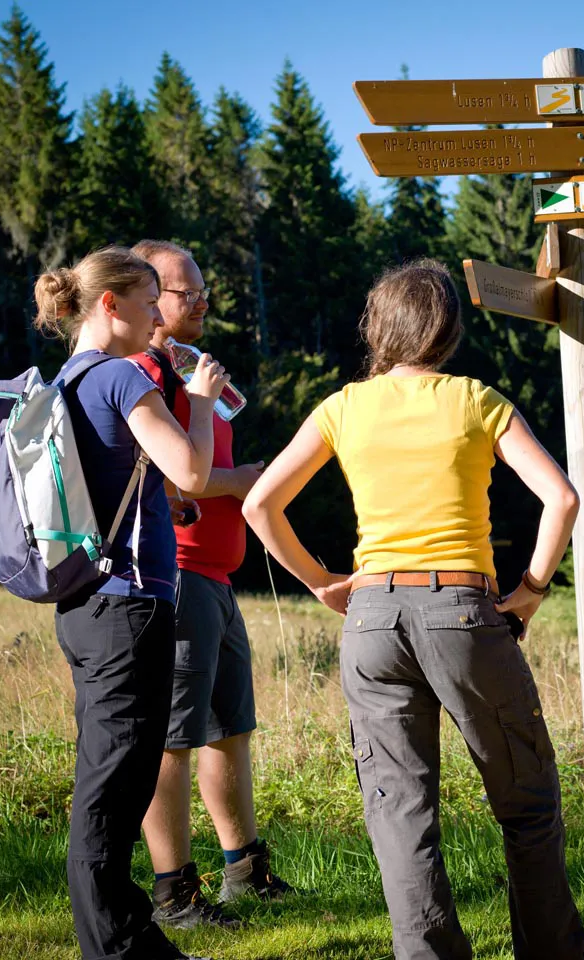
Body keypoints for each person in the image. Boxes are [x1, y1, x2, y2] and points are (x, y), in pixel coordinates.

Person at [242, 259, 584, 960]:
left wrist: (321, 582)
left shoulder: (342, 407)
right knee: (525, 801)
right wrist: (531, 589)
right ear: (449, 330)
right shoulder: (475, 400)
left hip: (371, 618)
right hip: (461, 611)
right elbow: (562, 498)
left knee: (400, 817)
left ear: (377, 328)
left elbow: (259, 505)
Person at [32, 246, 228, 960]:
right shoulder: (120, 375)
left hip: (84, 604)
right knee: (114, 787)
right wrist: (198, 403)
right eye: (148, 304)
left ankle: (124, 936)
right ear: (109, 305)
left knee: (109, 777)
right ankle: (116, 945)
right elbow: (193, 471)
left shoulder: (66, 380)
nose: (156, 320)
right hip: (130, 607)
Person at [129, 240, 292, 929]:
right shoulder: (141, 377)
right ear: (148, 298)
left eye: (203, 291)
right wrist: (241, 480)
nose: (200, 301)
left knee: (230, 729)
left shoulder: (192, 371)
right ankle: (173, 892)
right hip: (177, 576)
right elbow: (169, 478)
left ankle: (244, 871)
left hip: (217, 578)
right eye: (186, 292)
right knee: (172, 739)